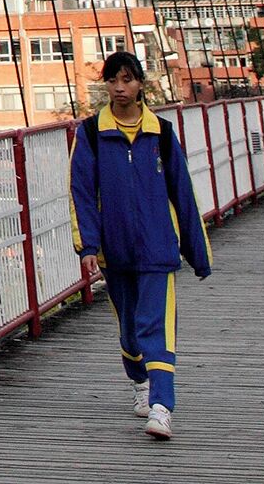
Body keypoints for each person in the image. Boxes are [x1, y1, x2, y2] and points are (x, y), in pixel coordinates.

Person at [70, 49, 211, 441]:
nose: (119, 87)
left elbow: (183, 194)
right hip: (113, 252)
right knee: (130, 332)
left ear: (140, 85)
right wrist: (87, 248)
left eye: (128, 79)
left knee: (157, 329)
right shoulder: (91, 134)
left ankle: (162, 407)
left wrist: (197, 254)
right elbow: (81, 193)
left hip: (157, 249)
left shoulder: (161, 134)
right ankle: (139, 383)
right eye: (113, 80)